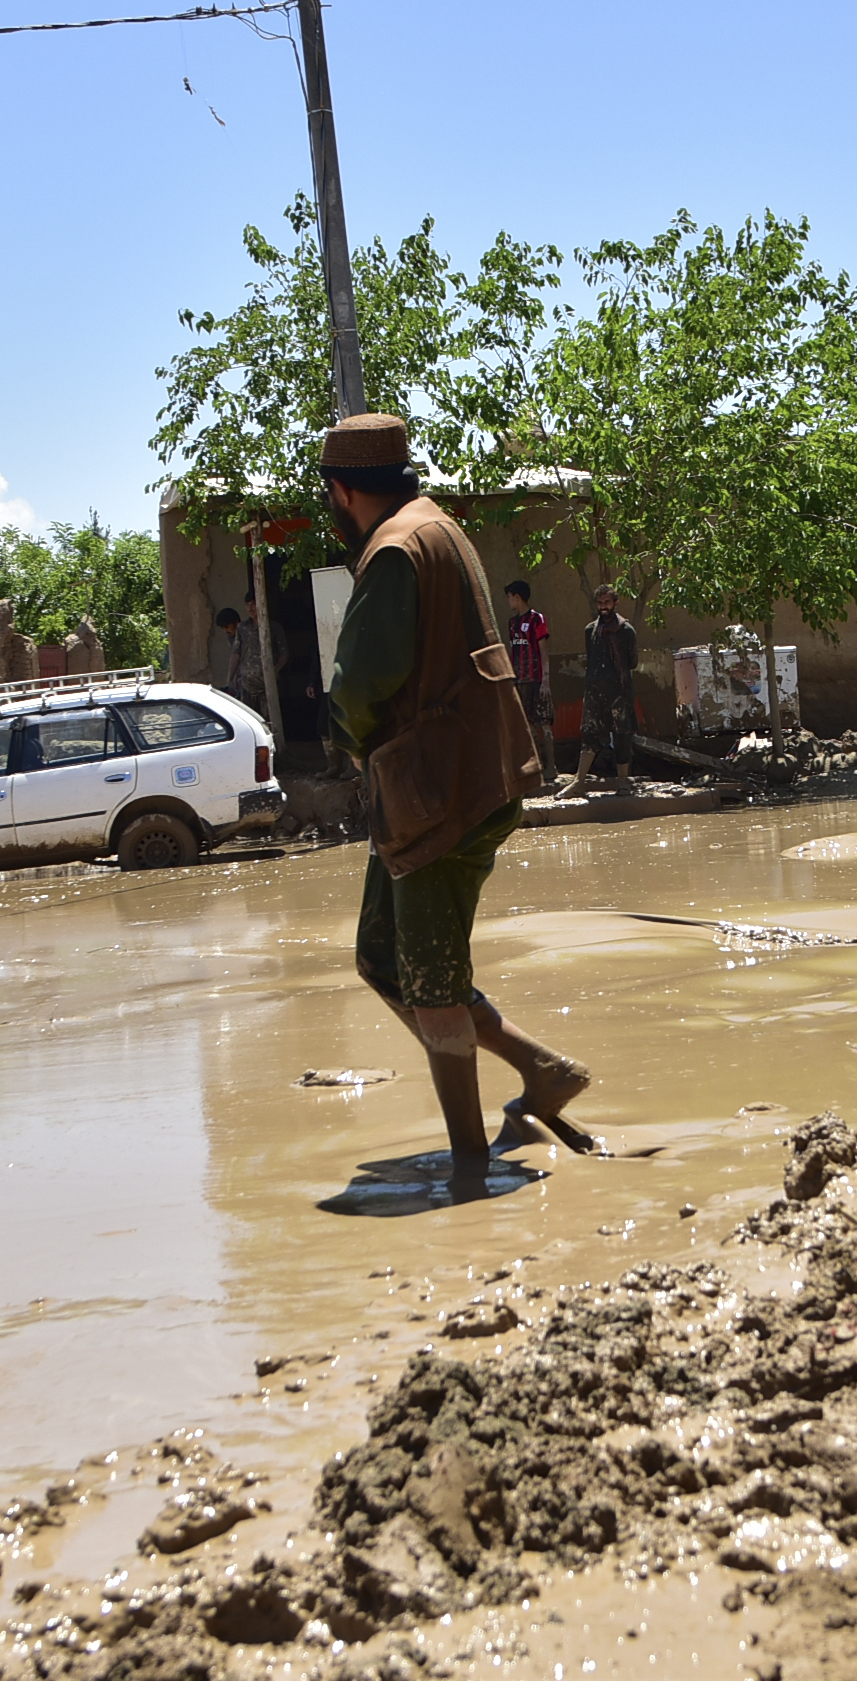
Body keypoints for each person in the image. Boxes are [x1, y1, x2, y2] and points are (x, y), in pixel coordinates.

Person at [319, 413, 587, 1189]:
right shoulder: (435, 526)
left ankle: (469, 1168)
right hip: (462, 781)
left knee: (431, 985)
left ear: (343, 492)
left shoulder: (393, 550)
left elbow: (359, 689)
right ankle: (542, 1069)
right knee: (383, 958)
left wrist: (348, 740)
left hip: (437, 797)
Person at [569, 583, 639, 790]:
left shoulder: (626, 631)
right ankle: (578, 782)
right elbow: (592, 660)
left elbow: (632, 662)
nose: (603, 606)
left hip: (620, 692)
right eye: (600, 603)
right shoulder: (590, 631)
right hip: (595, 692)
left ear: (615, 603)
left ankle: (623, 782)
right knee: (589, 734)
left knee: (622, 736)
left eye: (607, 602)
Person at [503, 579, 553, 762]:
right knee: (527, 722)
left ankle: (551, 765)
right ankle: (537, 763)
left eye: (509, 597)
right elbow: (513, 651)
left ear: (517, 597)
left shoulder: (536, 619)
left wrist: (545, 680)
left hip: (536, 678)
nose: (508, 601)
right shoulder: (512, 623)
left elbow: (543, 650)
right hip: (519, 679)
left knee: (543, 721)